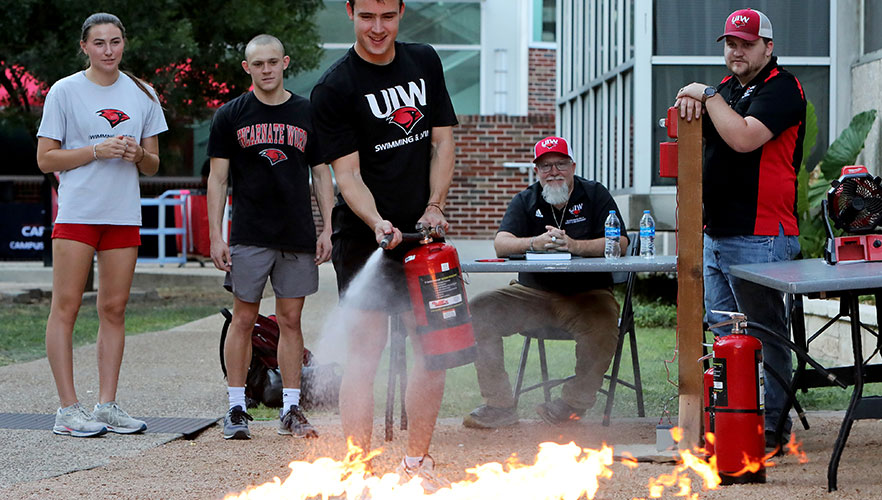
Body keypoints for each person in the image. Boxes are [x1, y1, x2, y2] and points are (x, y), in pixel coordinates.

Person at [310, 0, 457, 489]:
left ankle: (418, 462)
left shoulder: (425, 60)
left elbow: (441, 142)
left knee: (432, 349)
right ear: (351, 11)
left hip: (426, 235)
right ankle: (359, 465)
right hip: (362, 237)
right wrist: (376, 222)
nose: (378, 28)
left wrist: (435, 205)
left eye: (387, 16)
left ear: (401, 13)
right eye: (367, 16)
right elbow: (346, 175)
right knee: (365, 353)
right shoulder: (334, 87)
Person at [674, 8, 806, 449]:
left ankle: (772, 431)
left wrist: (704, 94)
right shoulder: (727, 90)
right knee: (726, 335)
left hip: (762, 236)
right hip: (716, 235)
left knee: (765, 337)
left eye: (746, 43)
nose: (736, 50)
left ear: (768, 48)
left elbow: (744, 137)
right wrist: (692, 98)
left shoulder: (784, 88)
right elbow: (689, 128)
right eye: (731, 43)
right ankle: (734, 421)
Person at [36, 12, 167, 437]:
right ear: (85, 47)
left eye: (115, 42)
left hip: (122, 214)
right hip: (78, 212)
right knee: (67, 307)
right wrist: (96, 152)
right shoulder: (65, 91)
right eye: (99, 43)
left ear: (124, 44)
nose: (108, 50)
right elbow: (45, 159)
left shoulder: (143, 93)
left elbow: (153, 164)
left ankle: (107, 405)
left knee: (113, 309)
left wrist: (135, 156)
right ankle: (67, 410)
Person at [207, 34, 334, 440]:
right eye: (258, 63)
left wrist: (328, 226)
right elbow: (218, 177)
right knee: (243, 318)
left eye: (273, 62)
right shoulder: (230, 114)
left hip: (296, 234)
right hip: (249, 233)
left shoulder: (305, 111)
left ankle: (292, 408)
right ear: (247, 67)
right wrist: (215, 234)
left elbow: (321, 174)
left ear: (285, 63)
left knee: (290, 320)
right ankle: (236, 408)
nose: (266, 69)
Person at [462, 136, 628, 429]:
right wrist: (534, 243)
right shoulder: (526, 199)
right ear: (536, 171)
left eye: (561, 164)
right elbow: (501, 244)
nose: (554, 171)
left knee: (603, 326)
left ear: (573, 165)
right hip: (532, 295)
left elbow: (621, 242)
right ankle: (499, 405)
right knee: (478, 311)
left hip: (587, 295)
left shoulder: (595, 194)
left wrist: (575, 246)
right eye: (545, 165)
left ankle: (573, 404)